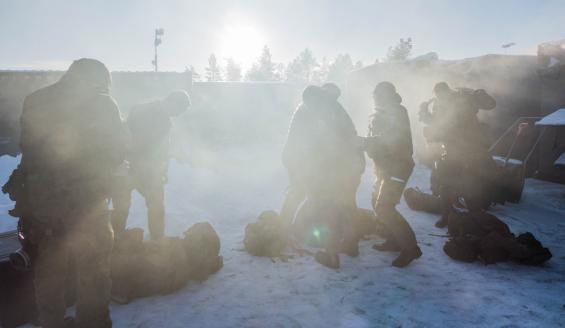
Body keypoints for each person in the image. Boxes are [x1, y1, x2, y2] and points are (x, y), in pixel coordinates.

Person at [19, 58, 126, 328]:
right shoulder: (102, 104)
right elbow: (117, 151)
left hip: (44, 205)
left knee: (49, 270)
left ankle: (50, 323)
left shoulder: (34, 100)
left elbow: (28, 152)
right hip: (87, 204)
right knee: (94, 272)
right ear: (98, 79)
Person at [282, 85, 362, 268]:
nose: (309, 106)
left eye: (310, 103)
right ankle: (351, 245)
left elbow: (321, 146)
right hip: (348, 166)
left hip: (336, 168)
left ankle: (331, 255)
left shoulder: (325, 114)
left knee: (328, 209)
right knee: (344, 207)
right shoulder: (332, 110)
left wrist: (307, 171)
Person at [111, 90, 191, 240]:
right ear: (171, 101)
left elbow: (162, 149)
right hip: (129, 166)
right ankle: (115, 239)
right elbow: (128, 137)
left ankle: (157, 239)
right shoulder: (142, 110)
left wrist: (163, 170)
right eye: (178, 110)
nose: (177, 115)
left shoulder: (166, 121)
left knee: (156, 204)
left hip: (148, 170)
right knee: (122, 205)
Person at [420, 82, 496, 228]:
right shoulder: (439, 105)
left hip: (471, 149)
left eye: (442, 94)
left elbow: (491, 104)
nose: (440, 97)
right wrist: (425, 114)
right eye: (437, 95)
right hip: (451, 149)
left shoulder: (463, 98)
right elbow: (437, 124)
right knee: (445, 184)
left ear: (448, 91)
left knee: (470, 184)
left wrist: (479, 94)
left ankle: (476, 218)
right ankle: (447, 216)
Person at [364, 81, 422, 267]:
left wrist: (365, 142)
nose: (374, 98)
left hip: (398, 166)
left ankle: (411, 248)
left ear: (385, 95)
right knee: (376, 202)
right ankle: (394, 240)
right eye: (374, 95)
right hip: (384, 166)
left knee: (385, 207)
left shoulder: (396, 111)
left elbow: (391, 138)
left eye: (377, 95)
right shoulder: (381, 112)